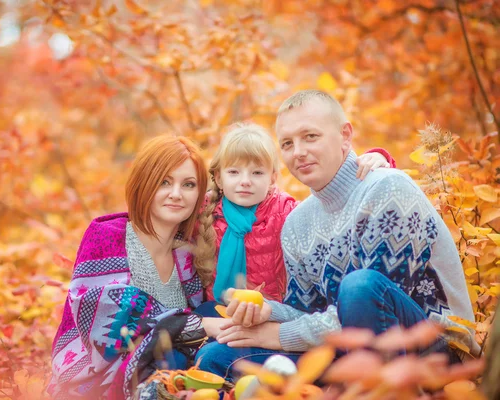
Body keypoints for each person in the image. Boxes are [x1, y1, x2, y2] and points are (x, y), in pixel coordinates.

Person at [196, 90, 479, 379]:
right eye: (287, 143)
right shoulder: (297, 224)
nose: (299, 152)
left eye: (311, 137)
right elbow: (309, 316)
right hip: (346, 349)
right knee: (217, 357)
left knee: (359, 287)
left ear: (345, 135)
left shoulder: (386, 189)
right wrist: (270, 313)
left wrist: (278, 335)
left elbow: (371, 309)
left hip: (434, 349)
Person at [49, 136, 223, 400]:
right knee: (171, 352)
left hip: (172, 374)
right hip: (99, 381)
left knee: (214, 317)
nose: (176, 194)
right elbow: (104, 317)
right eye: (164, 182)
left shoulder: (187, 254)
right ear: (144, 184)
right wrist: (199, 324)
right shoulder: (107, 235)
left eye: (188, 185)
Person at [193, 123, 394, 306]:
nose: (245, 181)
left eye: (257, 173)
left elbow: (338, 206)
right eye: (234, 172)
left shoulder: (284, 210)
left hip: (272, 312)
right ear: (219, 178)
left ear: (272, 178)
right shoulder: (204, 210)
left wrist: (380, 158)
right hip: (218, 310)